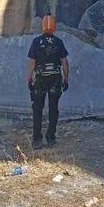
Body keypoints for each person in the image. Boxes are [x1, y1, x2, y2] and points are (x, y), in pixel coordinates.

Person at [27, 15, 69, 149]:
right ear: (54, 27)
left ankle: (37, 140)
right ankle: (51, 138)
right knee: (53, 109)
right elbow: (64, 62)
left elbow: (32, 62)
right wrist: (66, 78)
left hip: (40, 78)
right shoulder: (58, 42)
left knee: (37, 109)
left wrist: (29, 78)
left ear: (42, 27)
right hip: (55, 79)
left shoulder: (36, 41)